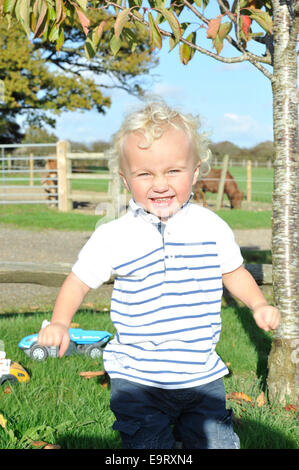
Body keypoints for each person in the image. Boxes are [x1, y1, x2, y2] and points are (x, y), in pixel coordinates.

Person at [38, 100, 280, 449]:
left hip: (201, 376)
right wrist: (60, 322)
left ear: (196, 172)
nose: (160, 184)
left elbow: (234, 271)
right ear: (126, 179)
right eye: (145, 174)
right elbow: (79, 280)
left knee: (218, 444)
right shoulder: (114, 234)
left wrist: (258, 303)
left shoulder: (212, 227)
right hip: (137, 378)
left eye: (173, 172)